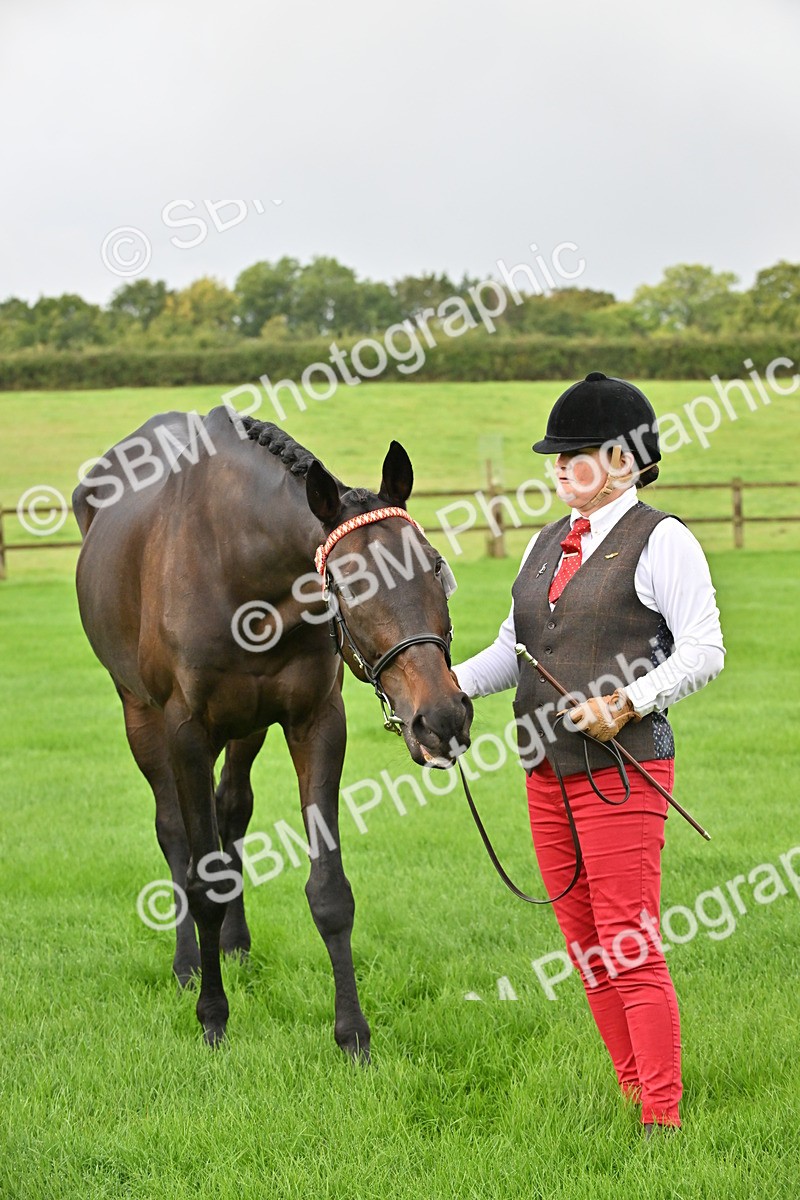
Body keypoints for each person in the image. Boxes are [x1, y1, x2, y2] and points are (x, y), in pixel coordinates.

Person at [453, 372, 725, 1136]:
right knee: (586, 948)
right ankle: (635, 1092)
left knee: (629, 943)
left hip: (624, 770)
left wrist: (626, 703)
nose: (558, 468)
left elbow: (705, 650)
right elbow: (514, 650)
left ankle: (662, 1121)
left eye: (573, 455)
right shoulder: (547, 544)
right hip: (546, 771)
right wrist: (446, 686)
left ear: (624, 460)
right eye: (557, 456)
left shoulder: (662, 538)